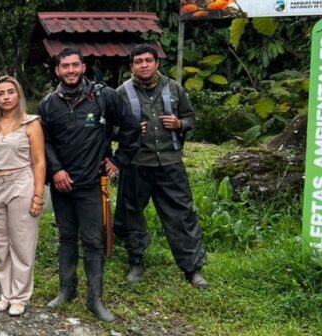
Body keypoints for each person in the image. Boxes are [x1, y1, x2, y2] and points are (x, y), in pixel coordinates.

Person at [39, 47, 140, 322]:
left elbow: (131, 128)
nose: (70, 71)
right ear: (57, 71)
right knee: (66, 237)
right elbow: (44, 141)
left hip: (92, 183)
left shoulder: (104, 96)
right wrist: (56, 170)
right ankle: (66, 290)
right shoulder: (49, 103)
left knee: (93, 241)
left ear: (83, 67)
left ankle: (94, 299)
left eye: (75, 65)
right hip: (61, 185)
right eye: (65, 66)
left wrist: (118, 160)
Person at [114, 44, 207, 289]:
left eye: (148, 60)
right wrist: (129, 130)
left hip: (170, 163)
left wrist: (179, 123)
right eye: (138, 61)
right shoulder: (121, 93)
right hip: (136, 164)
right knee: (131, 213)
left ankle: (193, 269)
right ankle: (136, 262)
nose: (143, 65)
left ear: (156, 63)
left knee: (182, 215)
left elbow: (191, 119)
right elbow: (109, 127)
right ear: (131, 66)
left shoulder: (174, 88)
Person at [0, 76, 46, 317]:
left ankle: (20, 296)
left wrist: (38, 194)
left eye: (10, 92)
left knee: (22, 243)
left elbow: (39, 161)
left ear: (18, 95)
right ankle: (6, 293)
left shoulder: (31, 123)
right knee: (0, 244)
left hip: (21, 184)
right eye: (1, 93)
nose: (6, 97)